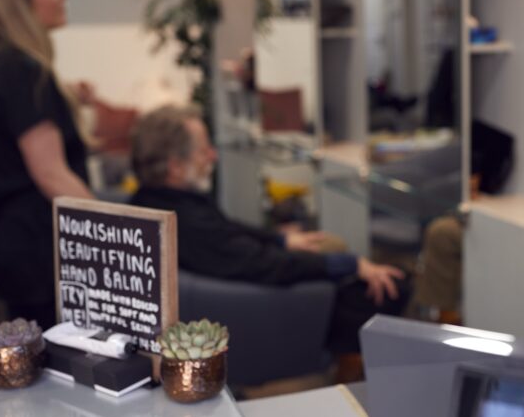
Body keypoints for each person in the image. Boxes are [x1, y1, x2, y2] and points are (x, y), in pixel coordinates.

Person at [128, 104, 409, 362]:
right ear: (175, 167)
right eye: (204, 151)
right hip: (275, 312)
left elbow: (228, 230)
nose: (213, 156)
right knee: (393, 287)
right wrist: (350, 264)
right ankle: (351, 364)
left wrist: (281, 238)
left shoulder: (153, 202)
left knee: (328, 246)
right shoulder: (187, 223)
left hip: (255, 294)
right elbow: (266, 264)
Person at [0, 0, 93, 329]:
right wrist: (117, 235)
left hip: (15, 245)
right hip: (38, 250)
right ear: (19, 3)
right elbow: (51, 175)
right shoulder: (20, 69)